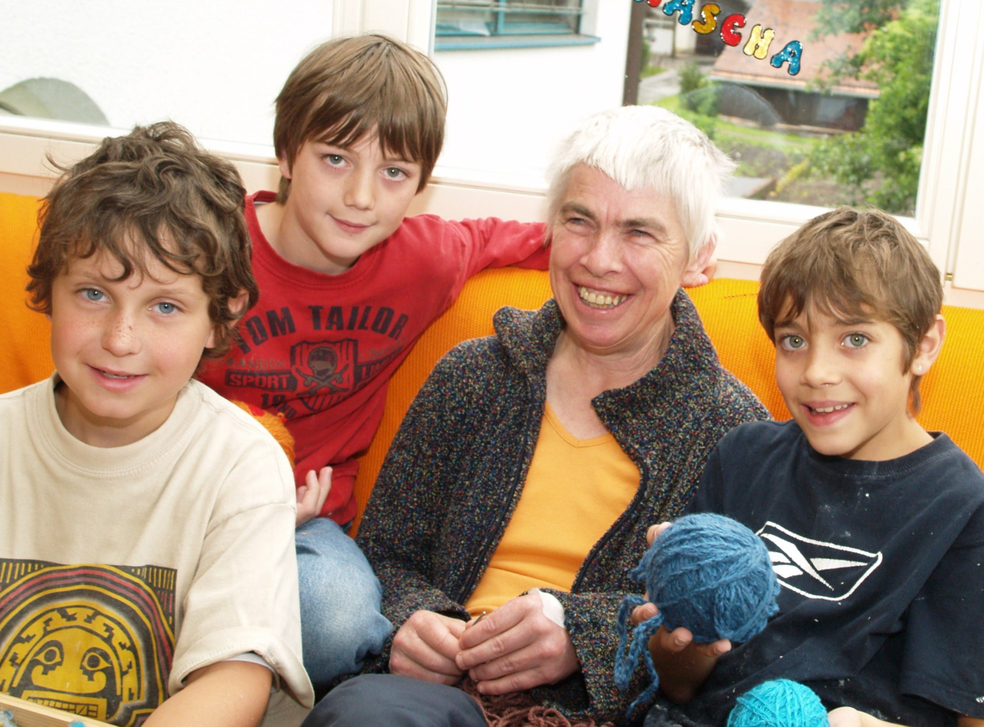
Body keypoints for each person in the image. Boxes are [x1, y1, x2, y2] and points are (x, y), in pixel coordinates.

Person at [302, 105, 770, 727]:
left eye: (639, 232)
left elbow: (725, 629)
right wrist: (410, 620)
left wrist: (581, 634)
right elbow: (386, 552)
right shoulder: (473, 376)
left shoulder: (734, 433)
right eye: (579, 221)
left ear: (697, 255)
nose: (599, 259)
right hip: (434, 701)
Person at [194, 33, 550, 689]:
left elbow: (533, 241)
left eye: (393, 172)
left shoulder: (421, 260)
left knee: (339, 621)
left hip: (307, 530)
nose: (361, 196)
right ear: (286, 154)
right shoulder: (210, 247)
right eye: (335, 158)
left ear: (421, 184)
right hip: (183, 495)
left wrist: (669, 244)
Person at [0, 123, 312, 727]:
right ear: (48, 290)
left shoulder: (241, 466)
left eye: (165, 306)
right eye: (93, 294)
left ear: (220, 316)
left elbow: (234, 680)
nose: (121, 340)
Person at [639, 208, 984, 727]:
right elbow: (677, 685)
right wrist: (682, 637)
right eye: (794, 340)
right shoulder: (743, 457)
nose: (818, 373)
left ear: (924, 346)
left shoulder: (963, 509)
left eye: (855, 339)